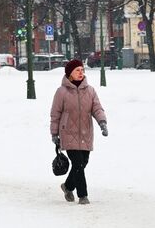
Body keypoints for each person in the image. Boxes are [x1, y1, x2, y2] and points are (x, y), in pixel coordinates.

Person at [49, 58, 107, 204]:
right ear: (70, 74)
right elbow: (55, 114)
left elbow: (97, 108)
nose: (81, 73)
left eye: (82, 70)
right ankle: (83, 195)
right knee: (78, 163)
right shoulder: (61, 92)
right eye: (77, 70)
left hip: (86, 132)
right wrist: (54, 134)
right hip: (68, 132)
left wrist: (102, 122)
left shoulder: (90, 91)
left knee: (83, 162)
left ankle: (68, 186)